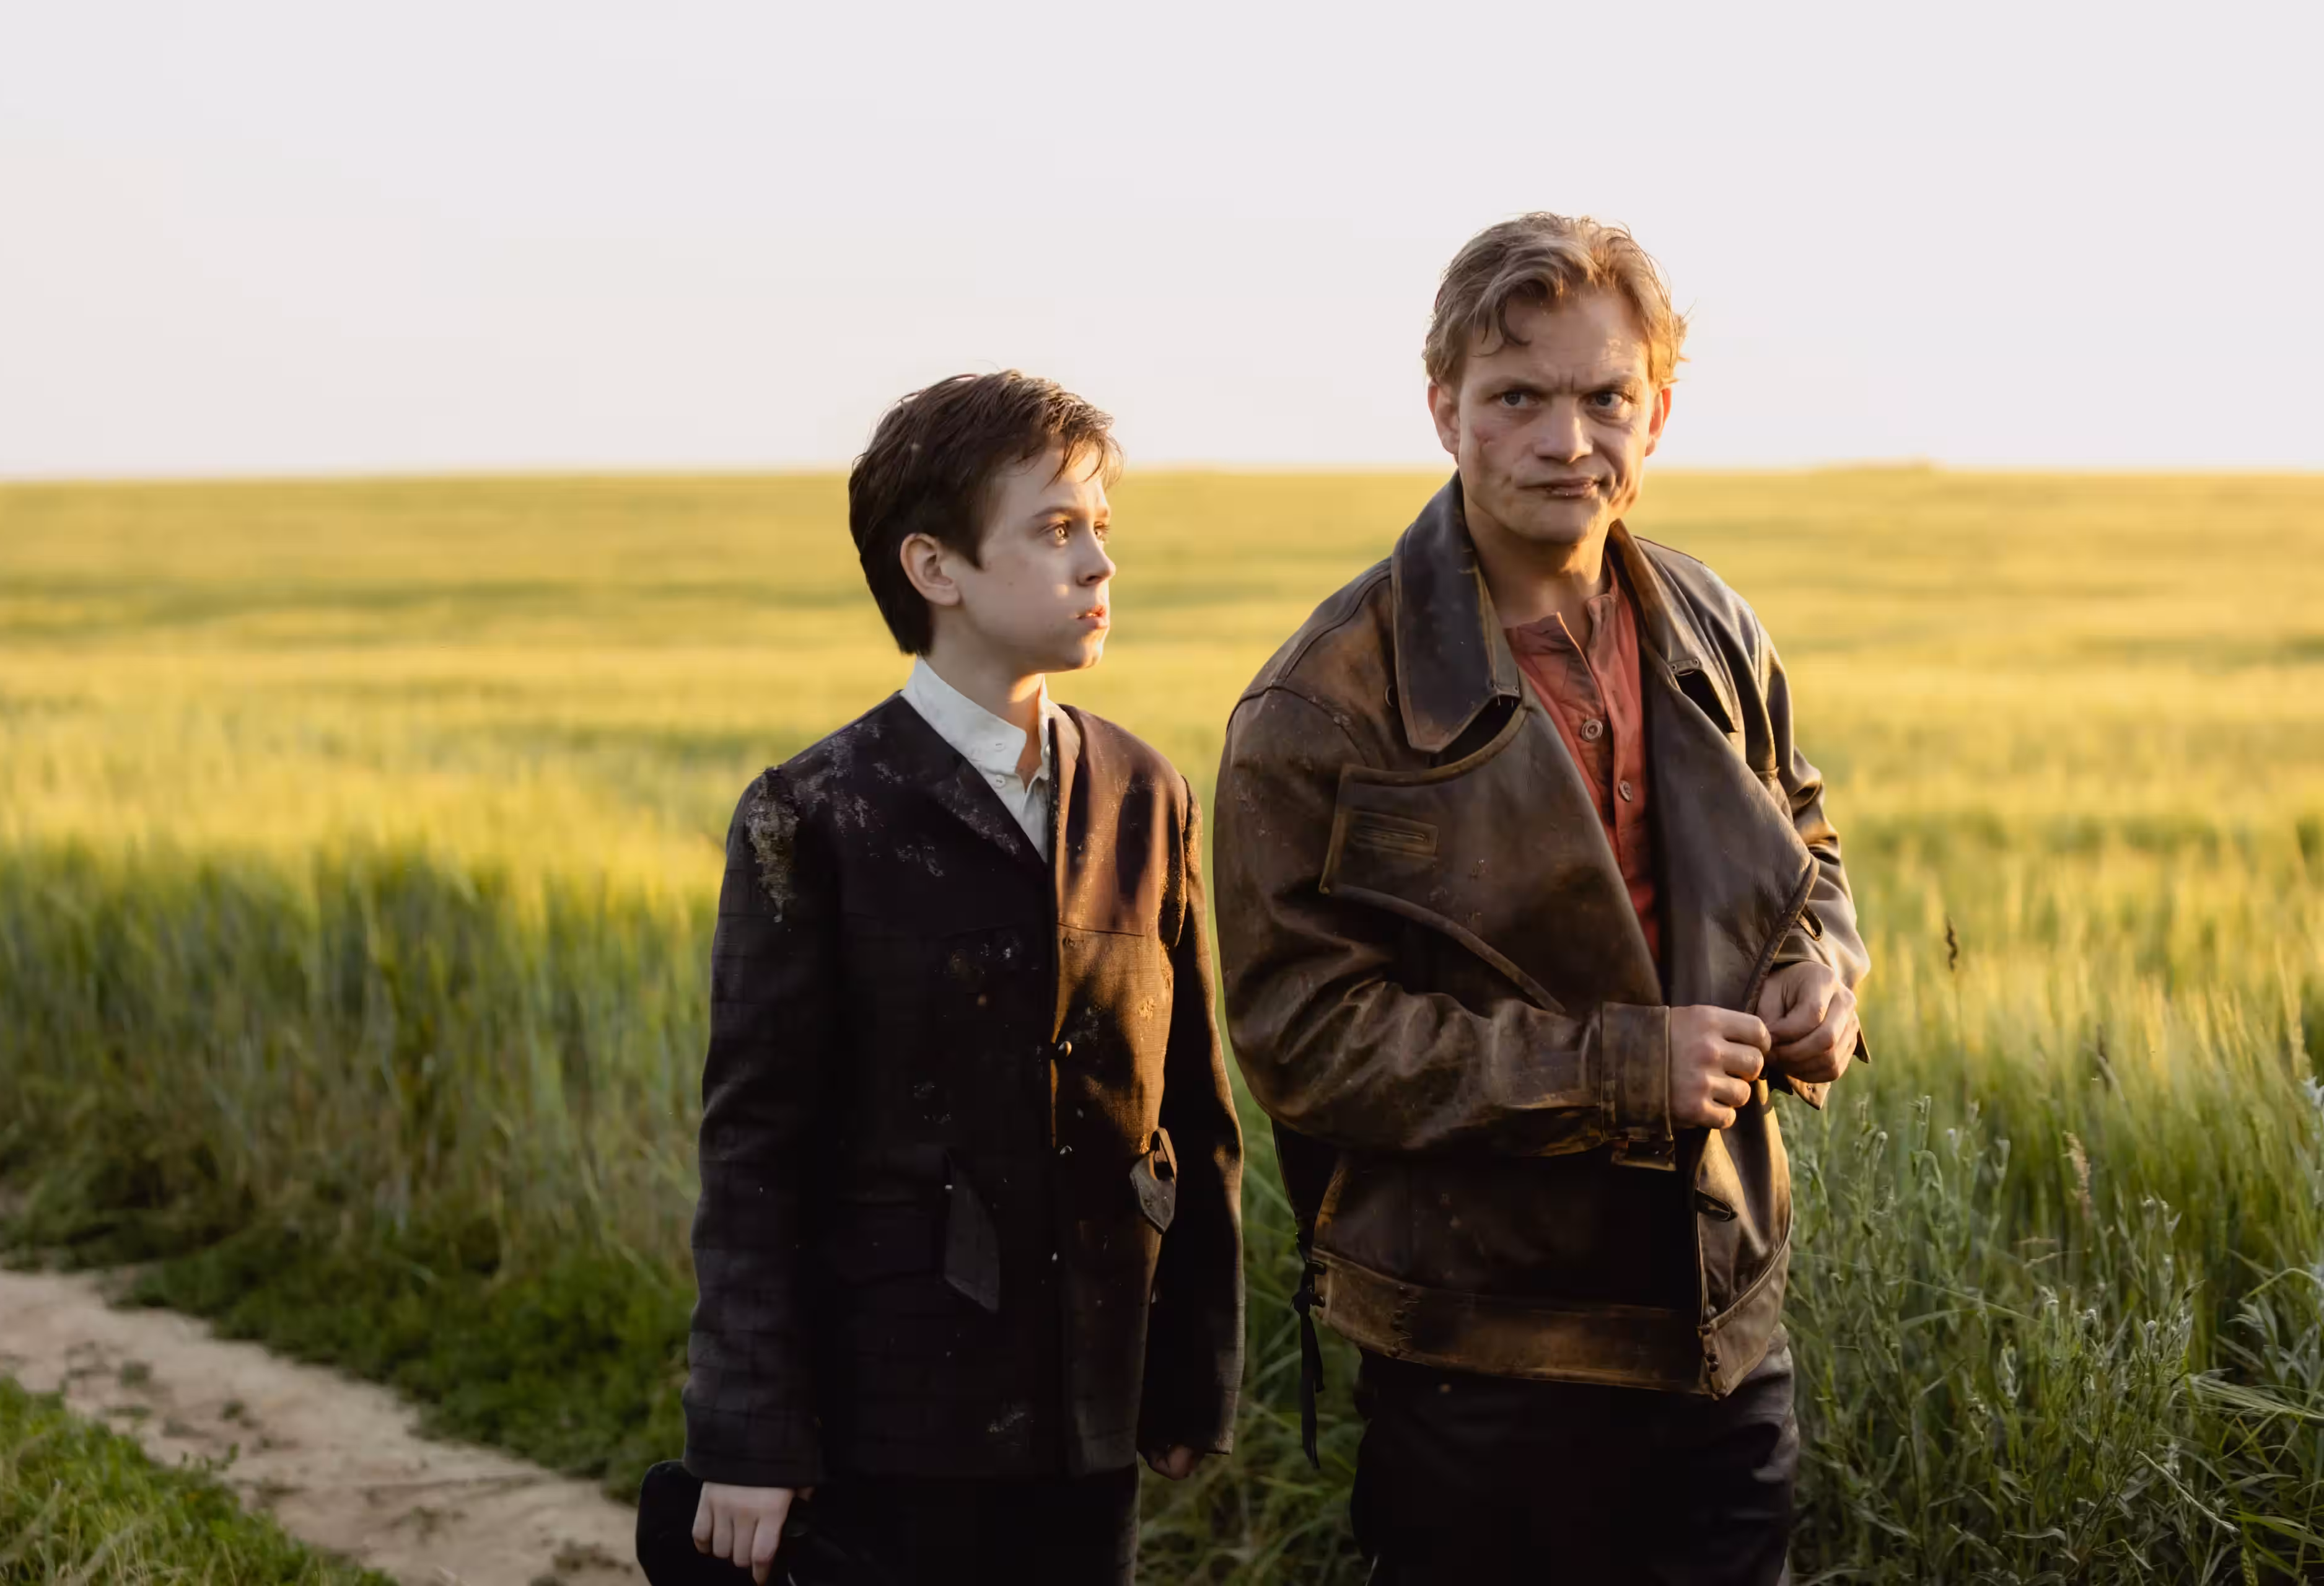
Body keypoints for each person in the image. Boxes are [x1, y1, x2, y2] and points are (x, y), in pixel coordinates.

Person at [1212, 213, 1869, 1584]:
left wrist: (1819, 965)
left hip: (1723, 1329)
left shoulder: (1713, 624)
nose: (1569, 441)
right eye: (1518, 398)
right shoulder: (1323, 703)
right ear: (1444, 408)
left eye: (1605, 398)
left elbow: (1801, 837)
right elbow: (1300, 1038)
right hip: (1482, 1356)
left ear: (1659, 410)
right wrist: (1621, 1070)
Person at [638, 372, 1243, 1586]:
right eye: (1056, 529)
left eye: (1101, 527)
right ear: (934, 567)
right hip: (893, 1418)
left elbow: (1191, 1108)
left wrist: (1192, 1369)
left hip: (1092, 1408)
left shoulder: (1148, 794)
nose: (1099, 564)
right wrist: (750, 1438)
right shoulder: (815, 813)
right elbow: (756, 1151)